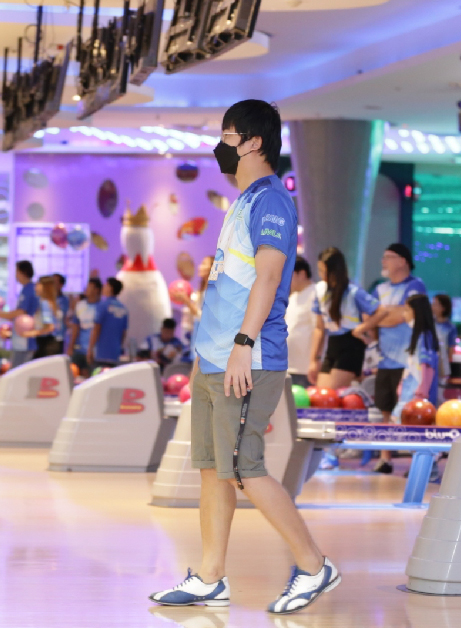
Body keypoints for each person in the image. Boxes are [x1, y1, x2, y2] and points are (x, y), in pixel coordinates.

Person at [151, 99, 338, 615]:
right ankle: (210, 576)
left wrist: (242, 344)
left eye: (228, 136)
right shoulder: (243, 201)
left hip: (247, 359)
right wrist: (208, 353)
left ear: (254, 142)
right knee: (213, 469)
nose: (220, 146)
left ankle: (314, 565)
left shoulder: (271, 201)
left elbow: (270, 277)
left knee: (244, 469)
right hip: (213, 359)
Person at [350, 243, 426, 474]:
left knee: (410, 411)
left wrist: (380, 316)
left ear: (403, 261)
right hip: (384, 359)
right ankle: (386, 458)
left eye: (388, 257)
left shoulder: (415, 285)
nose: (383, 261)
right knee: (385, 409)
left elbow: (402, 316)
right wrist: (384, 316)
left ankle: (417, 460)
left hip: (409, 361)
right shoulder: (380, 289)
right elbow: (370, 317)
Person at [307, 247, 379, 389]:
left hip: (352, 344)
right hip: (332, 343)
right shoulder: (320, 290)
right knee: (321, 394)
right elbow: (319, 328)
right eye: (320, 270)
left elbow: (380, 311)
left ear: (335, 270)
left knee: (332, 393)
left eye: (324, 271)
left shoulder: (353, 292)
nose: (321, 275)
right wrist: (314, 360)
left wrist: (363, 328)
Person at [392, 294, 440, 417]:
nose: (404, 314)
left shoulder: (425, 337)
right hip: (408, 395)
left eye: (407, 310)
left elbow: (427, 368)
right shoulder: (418, 335)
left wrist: (421, 394)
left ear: (417, 312)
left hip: (417, 399)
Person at [0, 261, 40, 367]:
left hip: (26, 340)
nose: (16, 275)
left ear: (23, 272)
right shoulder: (26, 289)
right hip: (22, 339)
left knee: (19, 370)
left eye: (17, 272)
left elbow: (21, 312)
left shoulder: (29, 289)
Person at [284, 256, 316, 386]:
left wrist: (314, 361)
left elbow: (318, 330)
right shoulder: (292, 298)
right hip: (289, 366)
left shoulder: (315, 294)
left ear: (302, 274)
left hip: (306, 368)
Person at [88, 278, 129, 368]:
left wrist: (90, 349)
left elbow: (96, 329)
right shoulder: (124, 309)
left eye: (106, 285)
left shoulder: (102, 306)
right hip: (115, 353)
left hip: (101, 353)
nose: (103, 287)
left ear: (110, 288)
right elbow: (124, 333)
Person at [182, 256, 215, 361]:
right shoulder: (202, 290)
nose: (200, 267)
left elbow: (206, 318)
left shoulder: (213, 291)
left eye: (204, 264)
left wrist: (186, 301)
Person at [67, 278, 102, 373]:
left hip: (95, 351)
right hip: (79, 349)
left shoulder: (101, 307)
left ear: (96, 290)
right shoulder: (80, 305)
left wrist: (91, 349)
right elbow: (75, 326)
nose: (86, 289)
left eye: (89, 287)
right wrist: (71, 346)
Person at [29, 276, 60, 359]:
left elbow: (50, 327)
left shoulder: (45, 304)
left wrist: (32, 333)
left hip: (47, 346)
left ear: (45, 287)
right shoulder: (46, 303)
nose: (35, 288)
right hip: (44, 344)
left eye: (37, 285)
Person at [432, 294, 456, 375]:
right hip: (430, 363)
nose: (432, 307)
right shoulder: (429, 324)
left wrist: (448, 363)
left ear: (443, 308)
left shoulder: (450, 327)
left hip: (443, 365)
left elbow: (451, 348)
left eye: (435, 304)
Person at [53, 273, 70, 352]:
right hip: (46, 337)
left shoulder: (65, 300)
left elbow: (66, 317)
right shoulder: (45, 299)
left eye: (55, 282)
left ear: (61, 285)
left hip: (59, 336)